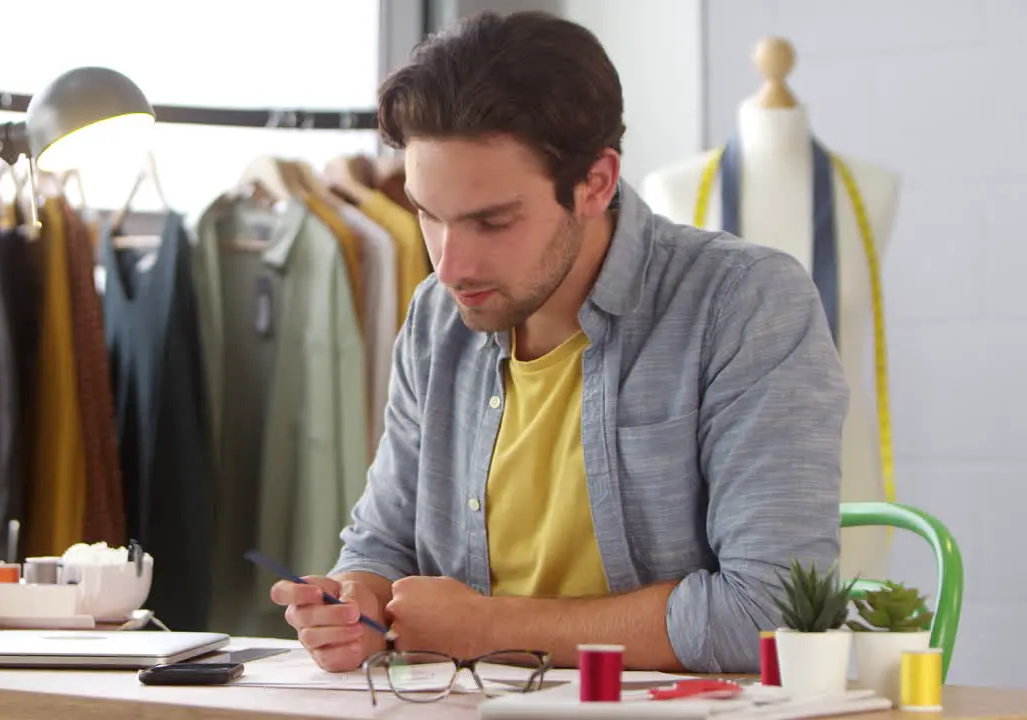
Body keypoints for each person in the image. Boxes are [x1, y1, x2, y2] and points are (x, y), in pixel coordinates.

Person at [270, 10, 847, 675]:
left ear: (596, 183)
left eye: (492, 221)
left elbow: (771, 614)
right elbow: (382, 542)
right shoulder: (437, 316)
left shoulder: (744, 304)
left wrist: (487, 628)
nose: (450, 265)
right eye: (428, 215)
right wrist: (356, 604)